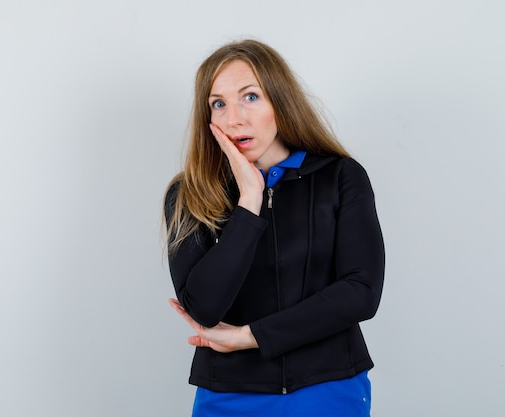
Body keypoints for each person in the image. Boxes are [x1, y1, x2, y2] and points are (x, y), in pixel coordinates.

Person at [163, 39, 385, 417]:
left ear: (279, 101)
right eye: (219, 104)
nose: (234, 118)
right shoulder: (190, 193)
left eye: (250, 97)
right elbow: (204, 307)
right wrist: (249, 202)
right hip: (227, 397)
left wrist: (250, 337)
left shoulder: (341, 177)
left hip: (327, 389)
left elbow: (361, 292)